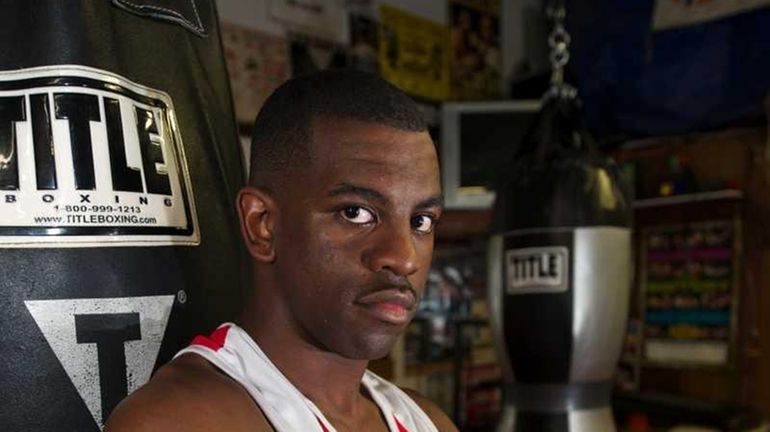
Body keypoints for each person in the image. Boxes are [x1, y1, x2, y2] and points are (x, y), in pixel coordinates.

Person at [104, 69, 458, 432]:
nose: (404, 258)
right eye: (356, 213)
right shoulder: (177, 423)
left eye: (422, 221)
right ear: (263, 224)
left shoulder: (427, 421)